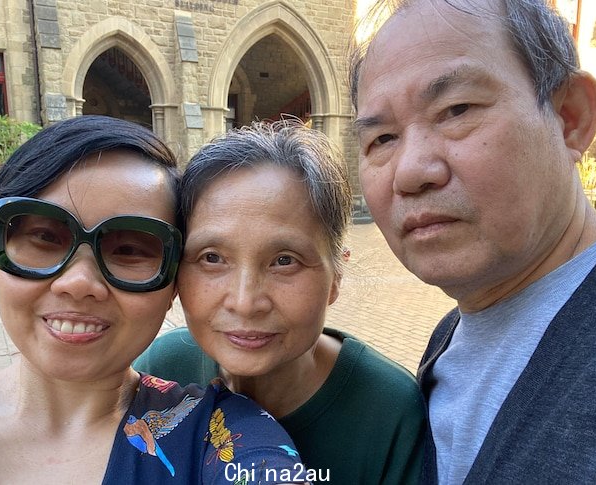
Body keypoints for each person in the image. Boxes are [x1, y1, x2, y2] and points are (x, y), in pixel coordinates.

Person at [0, 120, 424, 484]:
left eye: (128, 247)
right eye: (44, 236)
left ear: (335, 278)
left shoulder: (223, 429)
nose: (246, 301)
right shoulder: (169, 364)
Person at [349, 0, 596, 483]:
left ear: (569, 118)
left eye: (456, 110)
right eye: (383, 139)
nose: (411, 171)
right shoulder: (449, 341)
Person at [135, 120, 424, 484]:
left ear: (335, 276)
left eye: (284, 260)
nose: (245, 302)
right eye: (211, 257)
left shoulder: (389, 411)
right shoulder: (161, 372)